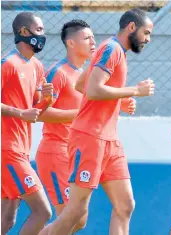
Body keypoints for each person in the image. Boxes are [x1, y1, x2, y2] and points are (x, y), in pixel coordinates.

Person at [39, 8, 154, 235]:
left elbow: (81, 84)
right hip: (90, 138)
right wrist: (135, 91)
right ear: (131, 27)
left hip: (110, 140)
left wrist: (119, 100)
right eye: (146, 33)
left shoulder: (111, 50)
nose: (147, 39)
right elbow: (91, 89)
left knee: (125, 205)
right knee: (75, 212)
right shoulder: (111, 49)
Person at [34, 19, 96, 234]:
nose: (93, 42)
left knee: (78, 220)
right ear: (70, 43)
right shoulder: (58, 73)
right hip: (55, 152)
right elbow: (39, 113)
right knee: (68, 218)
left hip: (76, 153)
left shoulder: (85, 75)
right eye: (87, 38)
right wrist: (79, 115)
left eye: (93, 38)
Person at [1, 12, 53, 235]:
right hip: (8, 149)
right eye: (39, 30)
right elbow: (24, 111)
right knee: (43, 212)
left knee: (8, 218)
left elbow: (35, 108)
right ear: (24, 32)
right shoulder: (7, 63)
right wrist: (20, 113)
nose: (43, 35)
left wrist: (47, 100)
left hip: (21, 149)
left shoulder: (37, 66)